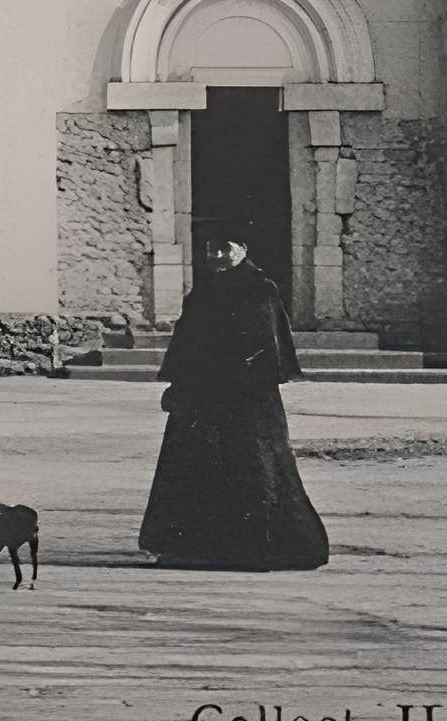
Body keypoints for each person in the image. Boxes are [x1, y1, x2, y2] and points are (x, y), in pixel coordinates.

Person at [137, 232, 330, 571]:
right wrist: (180, 384)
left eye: (225, 249)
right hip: (202, 397)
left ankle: (249, 545)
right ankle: (196, 545)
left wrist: (241, 379)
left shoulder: (259, 290)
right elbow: (188, 342)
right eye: (211, 249)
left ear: (243, 249)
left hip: (245, 398)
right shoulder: (204, 291)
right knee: (195, 464)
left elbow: (264, 344)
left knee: (250, 465)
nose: (217, 256)